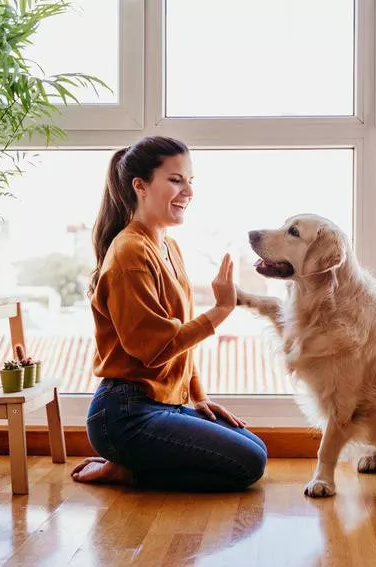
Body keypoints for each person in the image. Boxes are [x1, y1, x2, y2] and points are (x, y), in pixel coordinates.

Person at [70, 136, 267, 491]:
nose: (188, 191)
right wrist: (221, 310)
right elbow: (154, 348)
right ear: (140, 186)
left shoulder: (167, 246)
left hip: (163, 403)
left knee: (255, 448)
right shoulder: (129, 253)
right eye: (176, 180)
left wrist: (198, 395)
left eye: (190, 180)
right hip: (124, 414)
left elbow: (178, 344)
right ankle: (126, 470)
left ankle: (133, 465)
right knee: (249, 464)